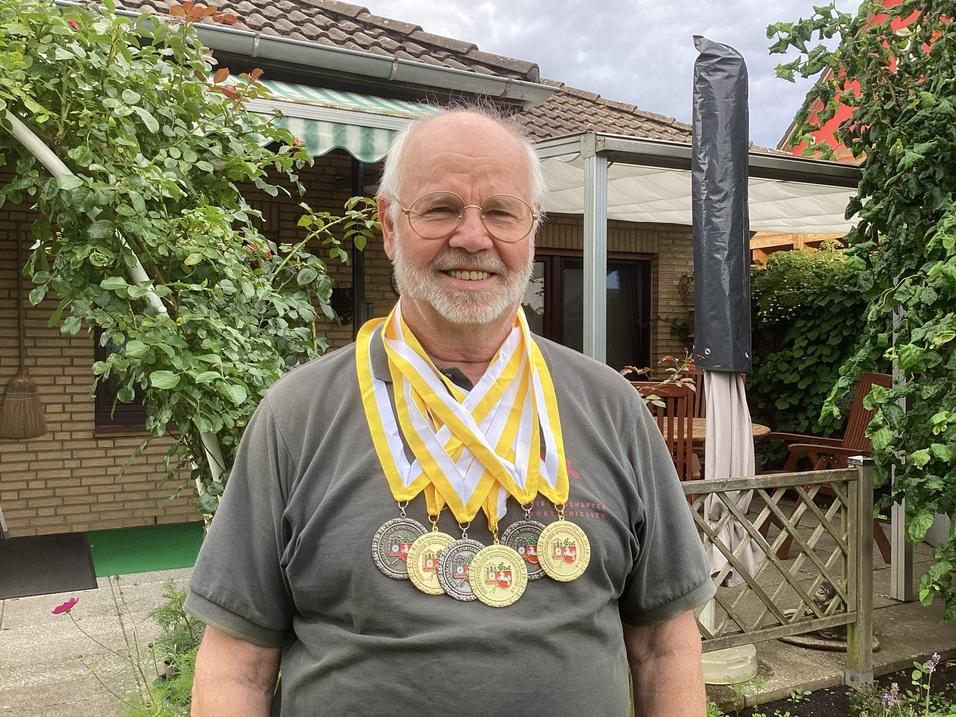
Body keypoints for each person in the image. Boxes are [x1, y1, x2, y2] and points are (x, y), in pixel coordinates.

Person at [186, 109, 715, 716]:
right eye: (440, 209)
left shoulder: (612, 408)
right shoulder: (296, 416)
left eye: (501, 212)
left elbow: (664, 646)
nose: (472, 237)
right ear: (390, 226)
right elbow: (237, 664)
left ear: (532, 229)